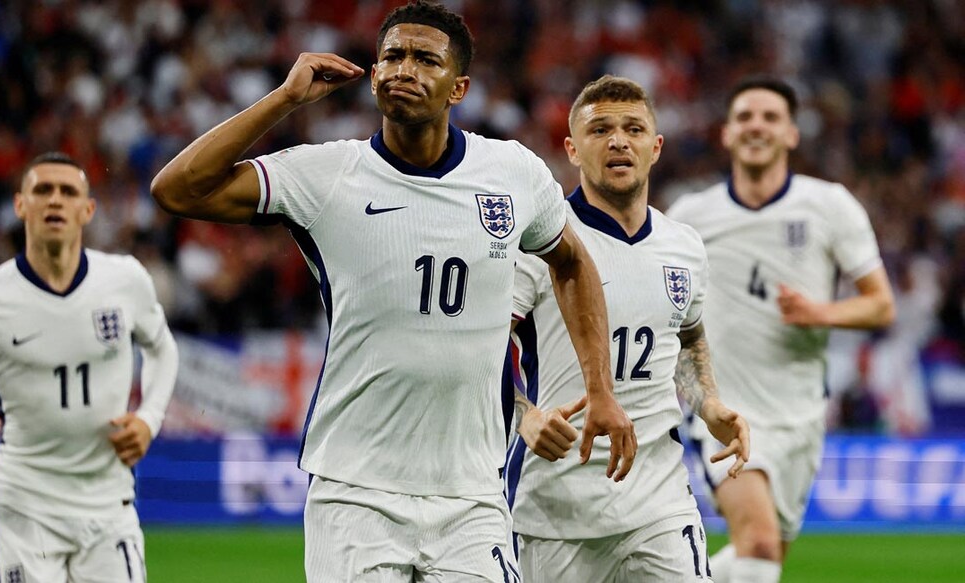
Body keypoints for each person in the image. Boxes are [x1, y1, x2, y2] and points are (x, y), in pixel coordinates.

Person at [149, 2, 636, 580]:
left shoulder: (511, 172)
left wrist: (600, 388)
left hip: (472, 496)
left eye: (425, 59)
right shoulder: (327, 175)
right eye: (392, 56)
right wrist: (283, 99)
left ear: (459, 88)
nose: (404, 68)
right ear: (373, 74)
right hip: (356, 494)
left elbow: (573, 263)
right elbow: (177, 189)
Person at [505, 75, 751, 583]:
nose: (619, 140)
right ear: (572, 149)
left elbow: (687, 337)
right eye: (600, 130)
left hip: (658, 500)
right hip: (557, 507)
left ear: (655, 147)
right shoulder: (539, 243)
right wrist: (523, 416)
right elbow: (482, 347)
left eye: (634, 128)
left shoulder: (683, 245)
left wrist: (709, 403)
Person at [666, 77, 896, 583]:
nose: (756, 126)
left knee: (761, 556)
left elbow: (881, 306)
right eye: (745, 117)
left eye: (770, 117)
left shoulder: (829, 206)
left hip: (802, 415)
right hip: (725, 413)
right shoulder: (690, 217)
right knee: (760, 543)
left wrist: (822, 313)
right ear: (726, 134)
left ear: (791, 134)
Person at [0, 152, 179, 582]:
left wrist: (149, 419)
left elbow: (162, 349)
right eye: (43, 190)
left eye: (68, 192)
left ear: (87, 210)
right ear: (21, 205)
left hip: (108, 503)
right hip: (26, 505)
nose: (55, 201)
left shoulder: (125, 280)